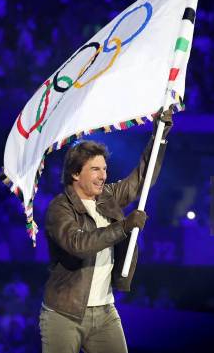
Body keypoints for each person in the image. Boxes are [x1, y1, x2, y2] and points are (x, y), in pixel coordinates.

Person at [39, 109, 173, 353]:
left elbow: (140, 179)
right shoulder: (59, 208)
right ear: (75, 173)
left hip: (105, 313)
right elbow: (78, 245)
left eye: (104, 169)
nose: (104, 176)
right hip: (64, 314)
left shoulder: (108, 196)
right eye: (95, 169)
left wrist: (160, 135)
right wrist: (123, 226)